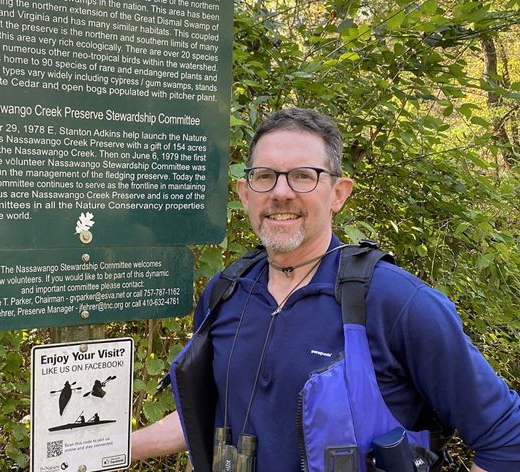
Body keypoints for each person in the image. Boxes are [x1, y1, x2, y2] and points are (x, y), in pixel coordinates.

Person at [131, 108, 520, 471]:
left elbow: (506, 436)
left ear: (338, 194)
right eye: (265, 175)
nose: (280, 192)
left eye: (303, 175)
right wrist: (112, 447)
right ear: (245, 193)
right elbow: (204, 414)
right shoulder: (226, 293)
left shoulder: (394, 303)